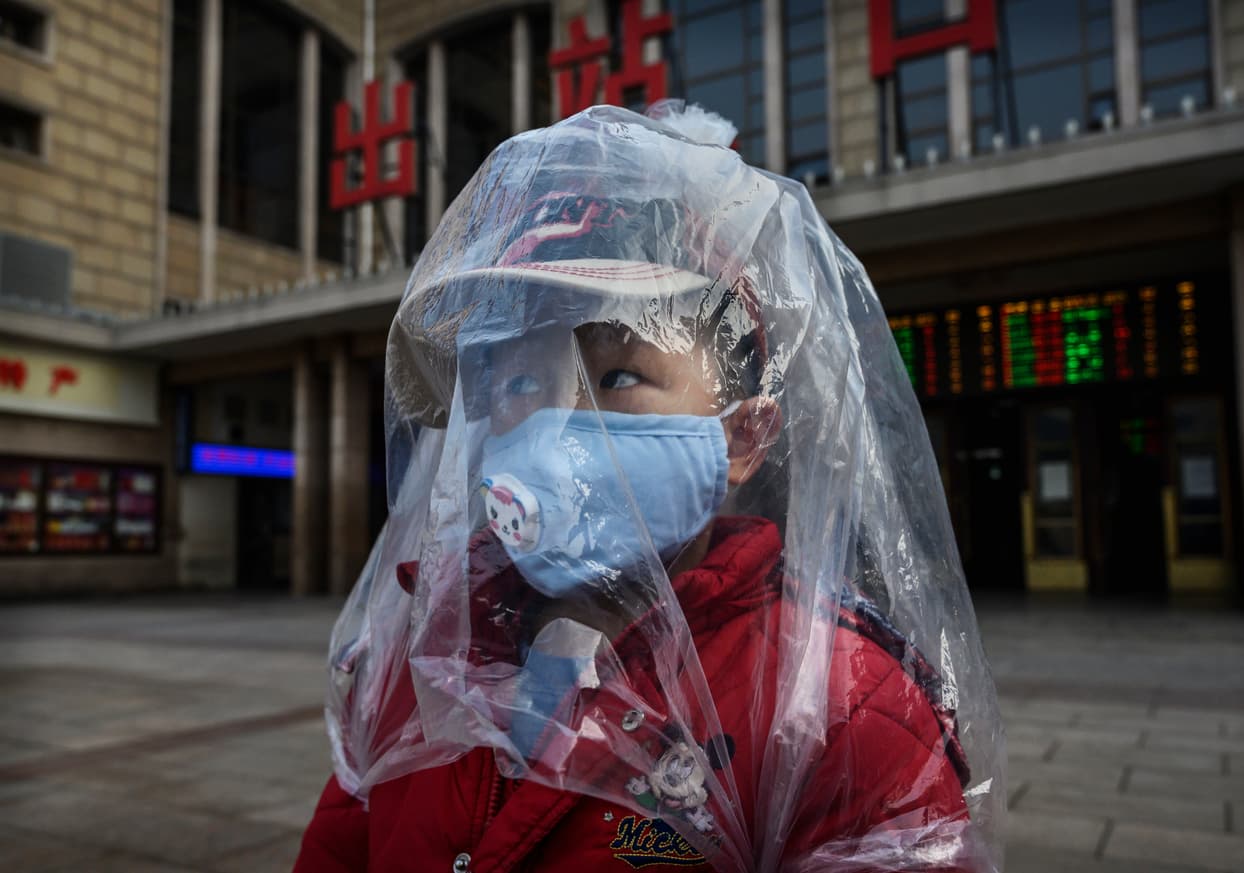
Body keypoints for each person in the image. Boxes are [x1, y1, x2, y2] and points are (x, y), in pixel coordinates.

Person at [294, 102, 1003, 872]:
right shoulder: (428, 654)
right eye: (521, 379)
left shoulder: (835, 709)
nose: (556, 423)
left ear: (743, 435)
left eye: (618, 374)